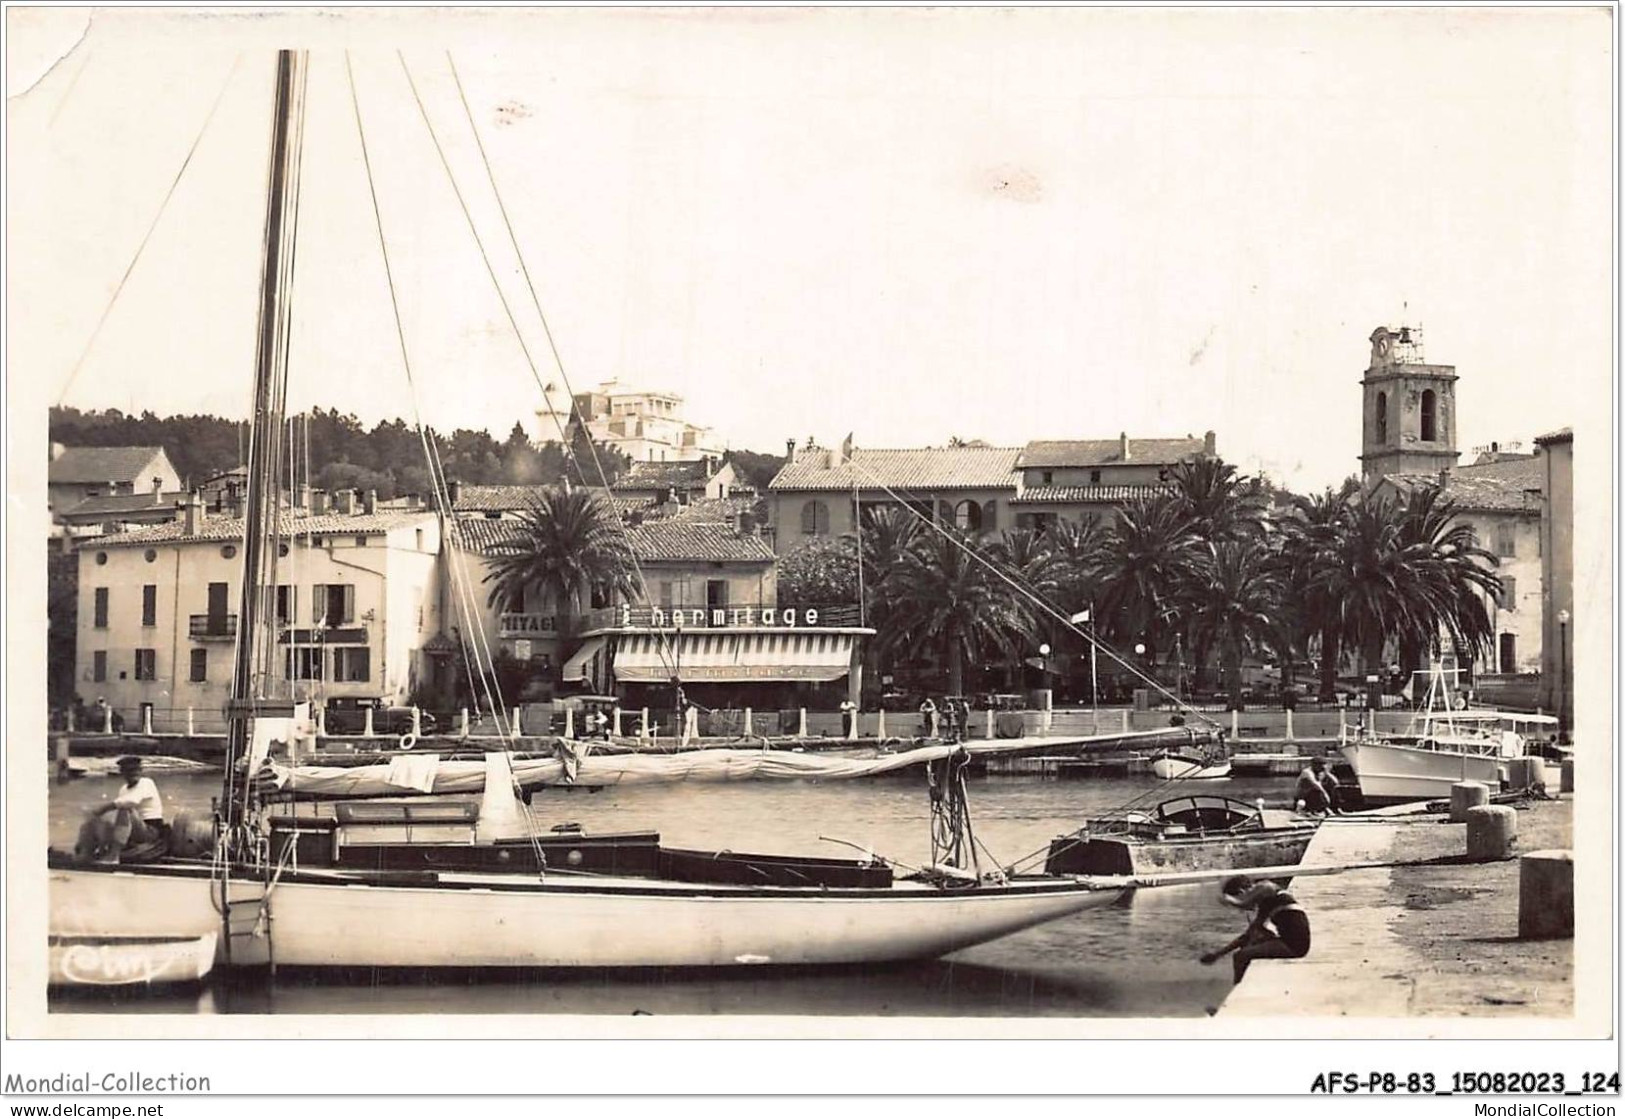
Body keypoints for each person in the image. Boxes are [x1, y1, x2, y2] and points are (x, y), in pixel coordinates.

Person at [1199, 874, 1312, 983]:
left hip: (1294, 946)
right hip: (1289, 942)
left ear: (1242, 891)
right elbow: (1247, 935)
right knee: (1250, 941)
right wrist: (1217, 954)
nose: (1243, 911)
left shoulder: (1266, 886)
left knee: (1240, 956)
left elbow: (1244, 903)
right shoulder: (1267, 904)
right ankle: (1243, 982)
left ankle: (1238, 986)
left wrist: (1228, 900)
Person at [76, 756, 167, 864]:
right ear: (122, 773)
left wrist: (103, 809)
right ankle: (86, 852)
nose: (133, 773)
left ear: (141, 771)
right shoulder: (123, 789)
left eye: (136, 770)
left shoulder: (146, 783)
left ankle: (114, 856)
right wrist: (96, 816)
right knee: (94, 819)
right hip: (131, 829)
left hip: (150, 830)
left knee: (125, 809)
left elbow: (131, 802)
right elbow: (116, 809)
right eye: (129, 771)